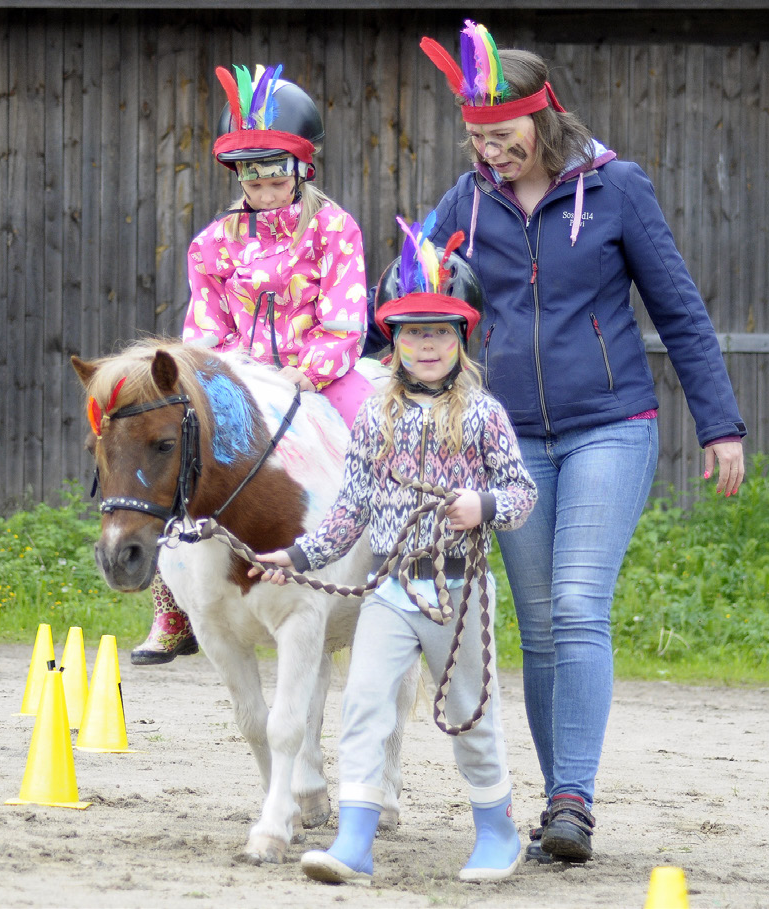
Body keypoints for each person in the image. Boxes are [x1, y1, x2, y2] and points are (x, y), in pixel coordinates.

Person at [419, 22, 748, 863]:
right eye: (476, 136)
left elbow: (679, 309)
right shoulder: (468, 201)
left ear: (544, 117)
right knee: (537, 626)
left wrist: (720, 424)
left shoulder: (616, 189)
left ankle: (573, 797)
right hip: (513, 442)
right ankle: (560, 799)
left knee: (575, 604)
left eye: (503, 135)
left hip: (612, 426)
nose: (489, 151)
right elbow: (408, 292)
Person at [253, 221, 538, 886]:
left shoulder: (485, 415)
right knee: (365, 703)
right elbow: (349, 508)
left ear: (461, 335)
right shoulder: (374, 418)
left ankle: (497, 828)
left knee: (470, 709)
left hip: (458, 591)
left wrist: (484, 506)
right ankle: (355, 840)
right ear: (395, 339)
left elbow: (521, 492)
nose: (427, 343)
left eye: (439, 330)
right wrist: (295, 556)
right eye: (413, 331)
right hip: (390, 589)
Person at [131, 64, 373, 666]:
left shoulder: (334, 229)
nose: (263, 195)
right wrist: (227, 376)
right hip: (241, 380)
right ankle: (173, 601)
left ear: (301, 170)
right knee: (182, 457)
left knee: (379, 428)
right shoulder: (212, 243)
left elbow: (346, 316)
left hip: (321, 372)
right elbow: (204, 328)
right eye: (251, 183)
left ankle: (402, 562)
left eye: (274, 182)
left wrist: (307, 370)